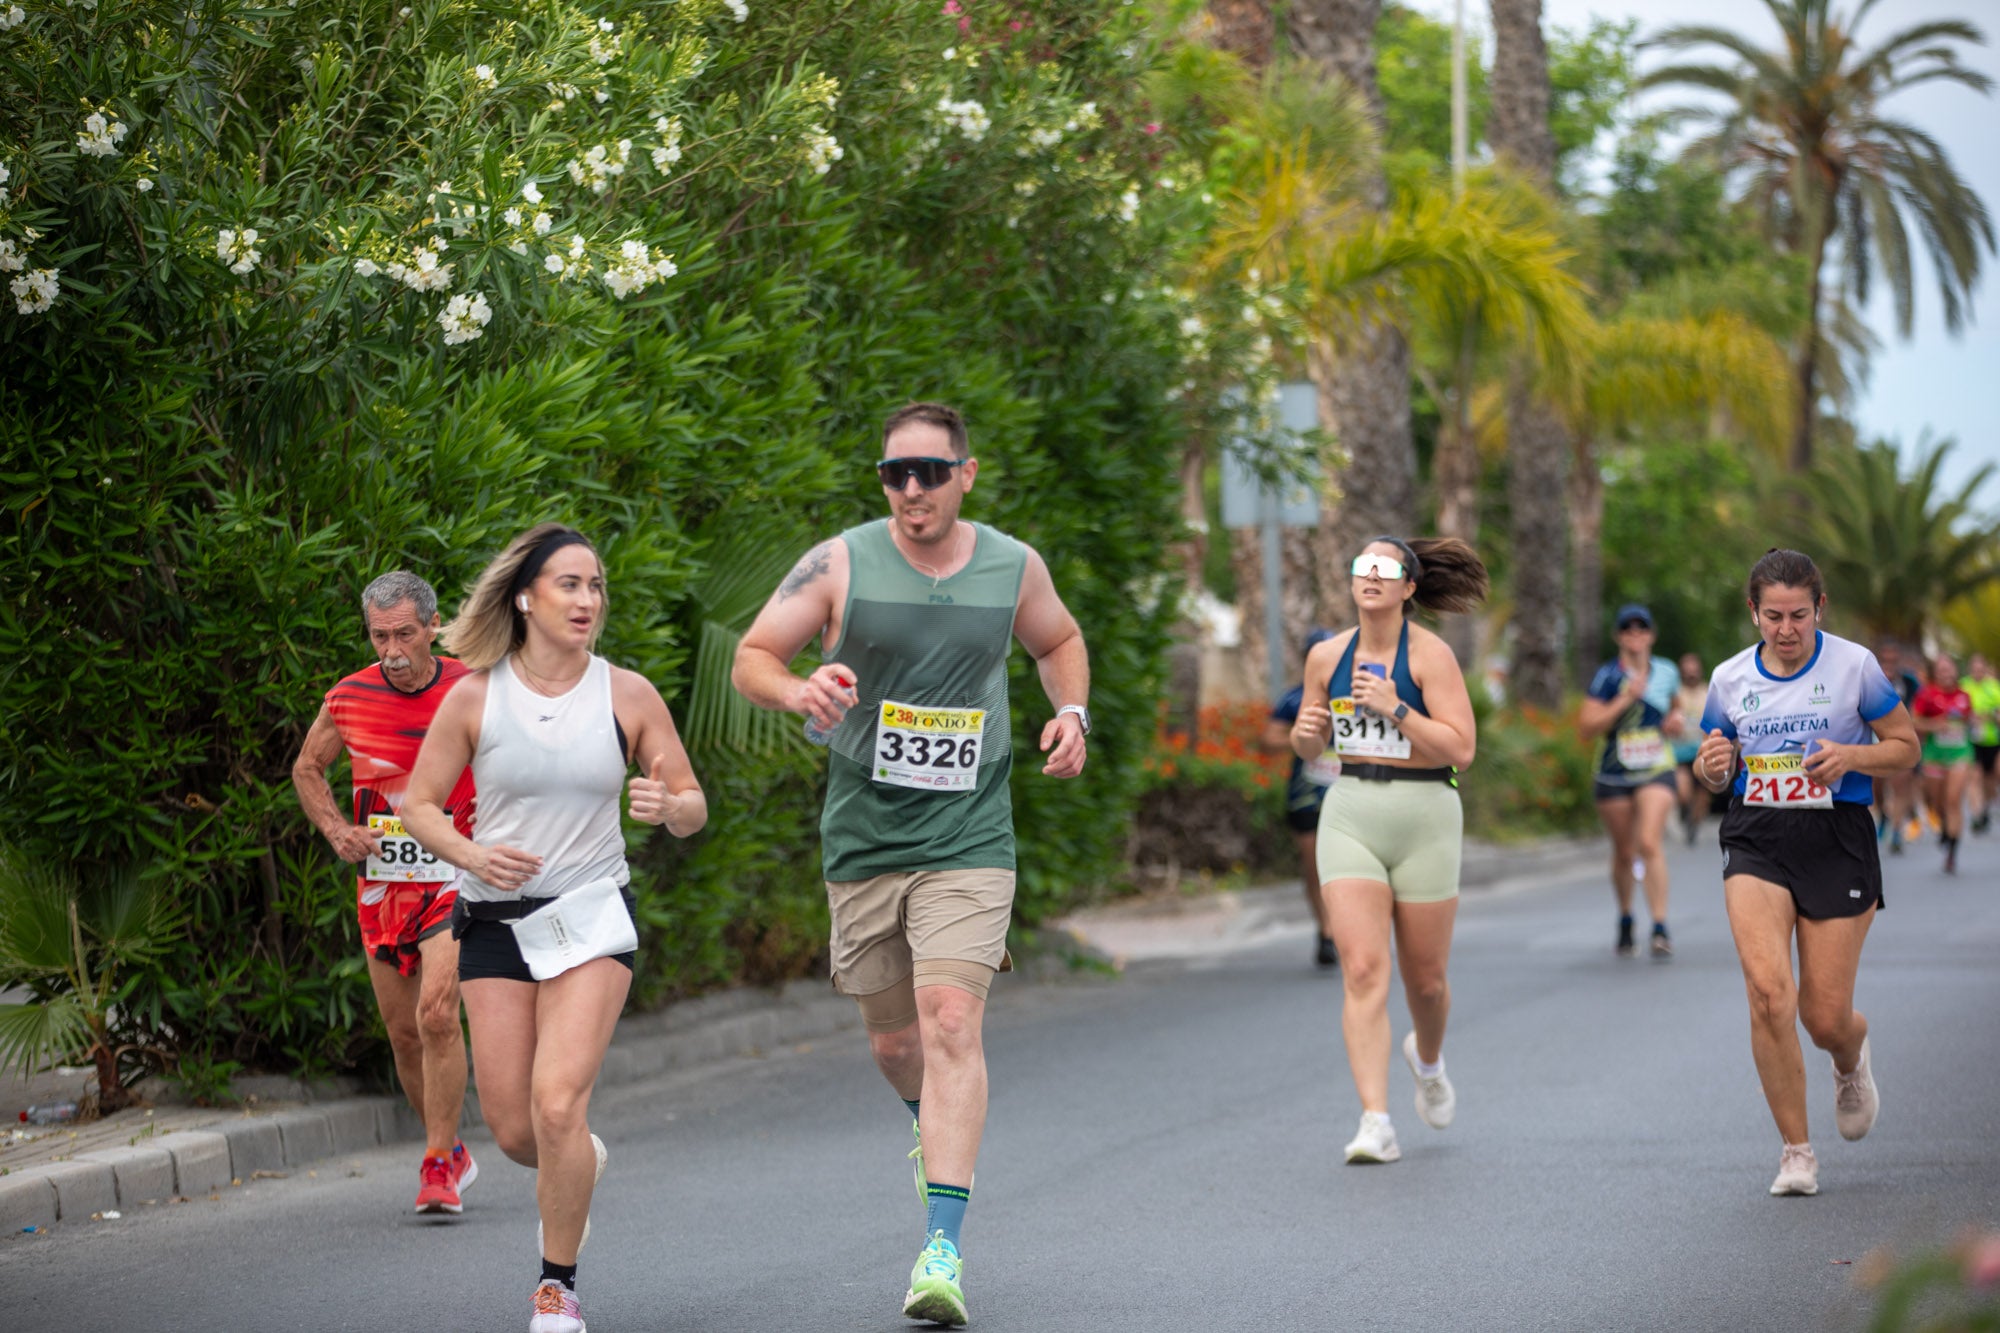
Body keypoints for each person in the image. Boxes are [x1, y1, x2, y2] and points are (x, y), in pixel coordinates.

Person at [731, 402, 1089, 1329]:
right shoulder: (841, 561)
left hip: (970, 837)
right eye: (897, 474)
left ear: (967, 472)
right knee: (897, 1044)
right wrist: (798, 684)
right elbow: (753, 657)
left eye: (931, 471)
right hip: (865, 838)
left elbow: (1058, 643)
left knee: (951, 1020)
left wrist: (1072, 713)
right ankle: (927, 1129)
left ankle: (941, 1246)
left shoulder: (1014, 565)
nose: (913, 489)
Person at [402, 524, 707, 1333]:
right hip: (496, 922)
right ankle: (577, 1160)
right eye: (570, 584)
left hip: (590, 917)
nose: (587, 600)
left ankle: (556, 1288)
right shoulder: (475, 694)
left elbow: (691, 802)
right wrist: (472, 852)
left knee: (558, 1103)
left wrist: (669, 806)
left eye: (596, 585)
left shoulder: (627, 693)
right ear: (527, 596)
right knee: (514, 1129)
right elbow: (418, 803)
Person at [1694, 548, 1918, 1197]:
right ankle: (1796, 1151)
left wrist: (1851, 754)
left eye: (1797, 615)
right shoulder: (1730, 677)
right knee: (1769, 992)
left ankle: (1849, 1054)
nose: (1786, 629)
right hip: (1756, 834)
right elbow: (1713, 761)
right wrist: (1710, 767)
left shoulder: (1856, 667)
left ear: (1819, 608)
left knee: (1822, 1015)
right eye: (1772, 616)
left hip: (1836, 833)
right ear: (1753, 612)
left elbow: (1907, 746)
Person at [1290, 536, 1486, 1165]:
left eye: (1385, 569)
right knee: (1365, 971)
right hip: (1350, 811)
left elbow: (1461, 750)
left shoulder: (1432, 657)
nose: (1371, 577)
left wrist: (1396, 706)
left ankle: (1427, 1059)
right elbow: (1310, 748)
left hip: (1426, 812)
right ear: (1352, 583)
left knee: (1425, 982)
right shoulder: (1325, 656)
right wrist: (1305, 735)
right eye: (1362, 568)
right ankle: (1375, 1119)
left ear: (1408, 588)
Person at [291, 570, 480, 1215]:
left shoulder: (471, 684)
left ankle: (435, 1167)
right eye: (380, 637)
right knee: (403, 1035)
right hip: (384, 887)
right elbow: (307, 766)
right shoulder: (348, 696)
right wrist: (335, 828)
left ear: (432, 627)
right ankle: (449, 1145)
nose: (393, 651)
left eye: (404, 634)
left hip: (456, 877)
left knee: (436, 1014)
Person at [1577, 605, 1681, 959]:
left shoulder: (1666, 671)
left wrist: (1674, 721)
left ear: (1651, 635)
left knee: (1649, 842)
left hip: (1656, 768)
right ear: (1618, 636)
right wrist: (1625, 699)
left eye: (1642, 629)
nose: (1635, 636)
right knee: (1624, 851)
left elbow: (1675, 707)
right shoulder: (1607, 676)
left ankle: (1660, 925)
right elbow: (1586, 727)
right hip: (1613, 772)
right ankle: (1625, 916)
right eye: (1627, 630)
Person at [1262, 627, 1341, 968]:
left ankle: (1344, 930)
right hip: (1306, 796)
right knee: (1314, 868)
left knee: (1345, 869)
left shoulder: (1359, 698)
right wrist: (1302, 739)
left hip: (1349, 796)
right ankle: (1325, 932)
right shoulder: (1294, 700)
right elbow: (1268, 740)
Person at [1912, 652, 1976, 874]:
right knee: (1936, 802)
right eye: (1941, 669)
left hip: (1960, 753)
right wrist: (1935, 726)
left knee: (1953, 801)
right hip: (1935, 754)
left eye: (1949, 668)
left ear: (1955, 671)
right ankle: (1945, 829)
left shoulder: (1964, 695)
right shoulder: (1927, 695)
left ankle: (1952, 853)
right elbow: (1914, 721)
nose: (1946, 673)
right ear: (1935, 673)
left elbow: (1970, 722)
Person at [1872, 642, 1924, 852]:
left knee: (1901, 787)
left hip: (1902, 741)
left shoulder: (1910, 682)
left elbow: (1921, 705)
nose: (1890, 665)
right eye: (1886, 660)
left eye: (1894, 660)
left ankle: (1896, 832)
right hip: (1875, 742)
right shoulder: (1869, 679)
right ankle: (1883, 814)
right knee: (1878, 788)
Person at [1670, 652, 1713, 845]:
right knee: (1684, 792)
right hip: (1681, 751)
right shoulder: (1675, 693)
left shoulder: (1708, 692)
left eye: (1694, 671)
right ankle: (1684, 811)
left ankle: (1694, 824)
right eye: (1687, 671)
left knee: (1702, 796)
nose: (1691, 675)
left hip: (1703, 751)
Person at [1964, 653, 1999, 834]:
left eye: (1980, 669)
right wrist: (1969, 718)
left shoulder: (1994, 687)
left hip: (1993, 740)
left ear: (1985, 669)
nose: (1977, 672)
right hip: (1972, 741)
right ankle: (1977, 815)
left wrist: (1991, 716)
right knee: (1975, 778)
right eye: (1974, 669)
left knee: (1991, 778)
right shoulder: (1964, 686)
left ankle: (1986, 807)